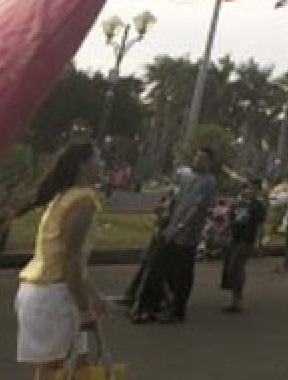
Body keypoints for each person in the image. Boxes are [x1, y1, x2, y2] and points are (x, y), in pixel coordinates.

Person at [14, 142, 109, 380]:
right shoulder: (82, 201)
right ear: (82, 165)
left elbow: (69, 259)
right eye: (98, 158)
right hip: (54, 295)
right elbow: (71, 259)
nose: (102, 164)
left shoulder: (62, 197)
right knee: (56, 368)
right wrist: (84, 307)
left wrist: (93, 295)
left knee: (76, 366)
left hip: (45, 290)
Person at [132, 147, 216, 323]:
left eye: (202, 158)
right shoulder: (188, 178)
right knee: (157, 268)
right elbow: (176, 198)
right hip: (171, 231)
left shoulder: (208, 182)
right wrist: (166, 213)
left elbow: (196, 209)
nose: (198, 161)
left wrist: (179, 228)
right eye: (196, 157)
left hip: (187, 237)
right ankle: (148, 307)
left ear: (209, 162)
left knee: (181, 275)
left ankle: (176, 310)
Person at [221, 178, 266, 313]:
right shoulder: (238, 204)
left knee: (235, 265)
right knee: (232, 268)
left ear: (257, 190)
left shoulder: (258, 206)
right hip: (236, 237)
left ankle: (237, 300)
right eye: (247, 187)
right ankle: (234, 300)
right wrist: (223, 230)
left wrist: (259, 241)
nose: (249, 190)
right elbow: (231, 219)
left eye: (252, 188)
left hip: (247, 239)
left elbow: (260, 225)